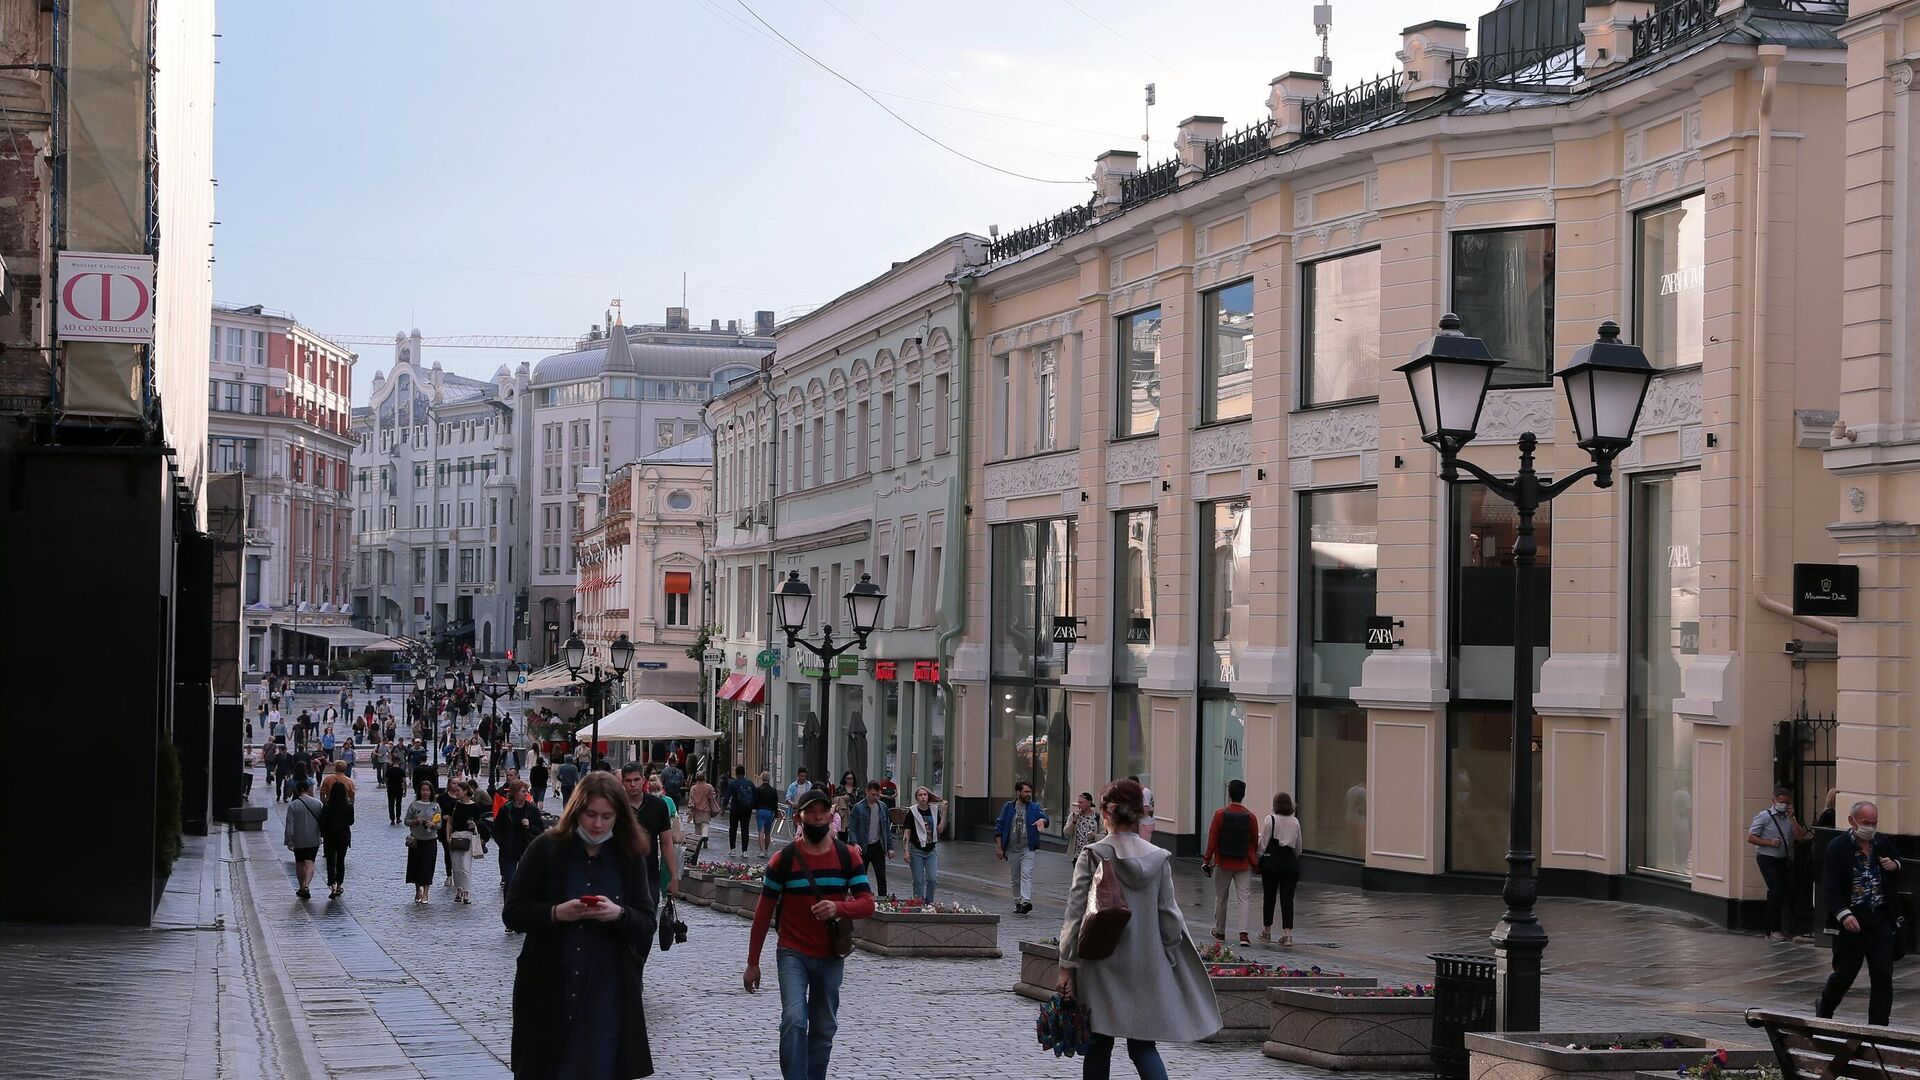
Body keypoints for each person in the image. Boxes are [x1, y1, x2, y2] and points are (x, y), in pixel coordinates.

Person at [1057, 778, 1222, 1078]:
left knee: (1098, 1045)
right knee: (1143, 1048)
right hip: (1146, 964)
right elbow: (1170, 917)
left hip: (1100, 963)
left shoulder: (1093, 854)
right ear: (1139, 815)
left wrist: (1066, 966)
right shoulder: (1158, 858)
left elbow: (1075, 914)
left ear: (1105, 813)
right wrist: (1169, 957)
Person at [502, 771, 657, 1078]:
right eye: (590, 815)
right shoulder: (546, 849)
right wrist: (556, 913)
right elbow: (513, 912)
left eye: (606, 816)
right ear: (576, 811)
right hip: (550, 991)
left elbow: (646, 922)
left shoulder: (628, 857)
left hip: (606, 994)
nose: (597, 824)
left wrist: (618, 914)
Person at [742, 788, 876, 1080]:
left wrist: (839, 907)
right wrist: (753, 962)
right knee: (793, 1020)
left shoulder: (847, 855)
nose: (817, 818)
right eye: (811, 812)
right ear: (799, 817)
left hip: (830, 954)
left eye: (822, 812)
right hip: (793, 951)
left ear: (830, 815)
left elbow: (867, 902)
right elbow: (763, 913)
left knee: (824, 1027)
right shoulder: (784, 859)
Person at [1817, 800, 1903, 1026]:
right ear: (1851, 821)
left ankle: (1878, 1028)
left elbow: (1899, 862)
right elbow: (1831, 886)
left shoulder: (1881, 842)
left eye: (1874, 823)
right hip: (1853, 920)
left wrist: (1894, 865)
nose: (1871, 827)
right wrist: (1844, 914)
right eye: (1866, 823)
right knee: (1845, 975)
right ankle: (1825, 1006)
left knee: (1883, 977)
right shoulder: (1838, 847)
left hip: (1880, 919)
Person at [1203, 779, 1260, 947]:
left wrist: (1207, 859)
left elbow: (1212, 839)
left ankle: (1220, 931)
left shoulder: (1220, 814)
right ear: (1243, 794)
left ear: (1229, 794)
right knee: (1244, 898)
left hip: (1223, 861)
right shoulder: (1251, 817)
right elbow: (1254, 843)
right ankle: (1243, 935)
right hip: (1243, 863)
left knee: (1221, 898)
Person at [1748, 784, 1808, 942]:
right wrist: (1769, 842)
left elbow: (1800, 836)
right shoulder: (1764, 816)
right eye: (1781, 802)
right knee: (1777, 891)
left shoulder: (1789, 818)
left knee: (1781, 892)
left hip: (1783, 859)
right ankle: (1773, 929)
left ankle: (1774, 927)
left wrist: (1792, 818)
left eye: (1787, 802)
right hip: (1767, 858)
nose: (1784, 805)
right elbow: (1751, 837)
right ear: (1774, 801)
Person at [622, 762, 682, 900]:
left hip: (649, 874)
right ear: (623, 782)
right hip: (621, 874)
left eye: (636, 780)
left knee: (648, 918)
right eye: (628, 781)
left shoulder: (658, 806)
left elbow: (666, 842)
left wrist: (673, 875)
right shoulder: (617, 805)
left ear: (643, 780)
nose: (633, 784)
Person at [996, 781, 1051, 915]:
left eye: (1030, 792)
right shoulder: (1008, 807)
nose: (1029, 794)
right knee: (1015, 878)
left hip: (1028, 847)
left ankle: (1025, 901)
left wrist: (1042, 821)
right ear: (1018, 792)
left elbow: (1046, 819)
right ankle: (1017, 901)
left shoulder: (1034, 807)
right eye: (1026, 792)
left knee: (1026, 874)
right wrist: (999, 848)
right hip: (1012, 848)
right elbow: (1000, 826)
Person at [1258, 792, 1303, 945]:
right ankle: (1287, 934)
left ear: (1275, 805)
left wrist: (1258, 859)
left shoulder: (1270, 819)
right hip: (1290, 861)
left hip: (1273, 862)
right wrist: (1292, 858)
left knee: (1269, 896)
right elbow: (1299, 848)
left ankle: (1267, 931)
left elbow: (1263, 844)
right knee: (1288, 898)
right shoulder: (1295, 821)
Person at [494, 779, 542, 894]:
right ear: (515, 793)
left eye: (527, 791)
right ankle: (508, 909)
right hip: (509, 851)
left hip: (526, 850)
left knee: (526, 883)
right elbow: (496, 830)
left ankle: (522, 909)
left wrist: (529, 826)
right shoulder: (506, 809)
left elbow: (540, 830)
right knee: (510, 884)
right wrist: (503, 844)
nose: (526, 794)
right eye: (523, 791)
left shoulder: (532, 809)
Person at [849, 782, 895, 898]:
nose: (875, 797)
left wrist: (890, 848)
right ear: (867, 791)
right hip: (863, 847)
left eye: (877, 795)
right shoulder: (858, 808)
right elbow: (851, 828)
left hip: (878, 846)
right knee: (860, 877)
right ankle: (860, 899)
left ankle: (883, 900)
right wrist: (854, 843)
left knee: (881, 877)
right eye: (873, 794)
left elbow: (886, 830)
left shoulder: (882, 807)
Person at [445, 780, 487, 905]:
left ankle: (467, 892)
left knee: (466, 866)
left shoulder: (475, 807)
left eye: (459, 790)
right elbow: (450, 822)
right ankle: (459, 890)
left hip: (468, 836)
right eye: (456, 790)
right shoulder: (454, 805)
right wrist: (448, 836)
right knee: (456, 866)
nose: (456, 792)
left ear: (465, 791)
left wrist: (474, 825)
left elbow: (480, 823)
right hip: (456, 835)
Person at [902, 786, 944, 902]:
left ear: (928, 796)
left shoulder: (934, 810)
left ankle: (929, 903)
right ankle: (918, 904)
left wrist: (944, 812)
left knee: (932, 879)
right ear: (916, 798)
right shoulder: (913, 812)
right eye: (920, 795)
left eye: (925, 794)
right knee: (919, 881)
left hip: (931, 850)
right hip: (916, 850)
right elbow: (907, 831)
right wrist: (906, 850)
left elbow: (940, 829)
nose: (923, 797)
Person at [284, 778, 323, 901]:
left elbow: (290, 824)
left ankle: (301, 886)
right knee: (310, 862)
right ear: (308, 789)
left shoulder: (293, 805)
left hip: (298, 838)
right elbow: (323, 821)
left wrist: (289, 840)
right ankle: (306, 885)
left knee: (299, 862)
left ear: (297, 790)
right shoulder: (317, 804)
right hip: (313, 837)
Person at [319, 772, 354, 899]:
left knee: (330, 861)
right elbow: (351, 821)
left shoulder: (327, 806)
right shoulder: (348, 806)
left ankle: (332, 885)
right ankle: (339, 885)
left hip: (329, 836)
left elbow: (322, 821)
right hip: (343, 835)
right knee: (340, 860)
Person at [405, 784, 442, 904]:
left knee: (427, 866)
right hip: (416, 839)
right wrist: (415, 821)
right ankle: (418, 890)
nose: (425, 793)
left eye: (427, 790)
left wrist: (434, 824)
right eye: (423, 790)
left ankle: (426, 892)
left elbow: (439, 823)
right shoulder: (414, 805)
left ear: (431, 792)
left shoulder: (435, 806)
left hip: (430, 840)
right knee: (416, 865)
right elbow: (406, 821)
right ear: (420, 792)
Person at [686, 773, 719, 864]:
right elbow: (713, 797)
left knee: (697, 827)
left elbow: (691, 801)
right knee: (705, 824)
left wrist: (690, 809)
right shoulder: (709, 786)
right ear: (705, 777)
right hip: (706, 810)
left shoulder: (693, 788)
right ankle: (705, 840)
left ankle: (698, 842)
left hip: (697, 810)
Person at [1065, 791, 1104, 863]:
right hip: (1077, 857)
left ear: (1089, 803)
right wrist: (1074, 821)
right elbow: (1066, 833)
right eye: (1078, 802)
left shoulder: (1097, 817)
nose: (1079, 805)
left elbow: (1104, 835)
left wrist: (1094, 836)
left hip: (1093, 857)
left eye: (1081, 803)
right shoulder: (1073, 816)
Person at [726, 765, 756, 854]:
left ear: (736, 773)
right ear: (744, 772)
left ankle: (733, 849)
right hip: (747, 810)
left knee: (733, 829)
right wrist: (752, 806)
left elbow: (727, 796)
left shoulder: (733, 784)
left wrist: (723, 807)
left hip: (735, 809)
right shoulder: (750, 783)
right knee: (745, 829)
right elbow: (755, 795)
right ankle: (745, 851)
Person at [755, 771, 781, 857]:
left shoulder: (758, 789)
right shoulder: (773, 790)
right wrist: (776, 813)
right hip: (769, 812)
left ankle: (761, 851)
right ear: (769, 779)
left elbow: (755, 801)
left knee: (761, 832)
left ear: (761, 778)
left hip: (760, 811)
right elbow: (775, 803)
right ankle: (766, 850)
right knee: (768, 833)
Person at [1129, 775, 1156, 843]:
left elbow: (1145, 810)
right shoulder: (1143, 792)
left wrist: (1133, 815)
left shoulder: (1145, 792)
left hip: (1146, 824)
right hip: (1144, 823)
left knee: (1144, 845)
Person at [385, 749, 409, 825]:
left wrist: (388, 786)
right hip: (399, 789)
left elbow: (386, 780)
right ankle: (398, 818)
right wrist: (405, 790)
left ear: (392, 761)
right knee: (398, 804)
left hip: (391, 789)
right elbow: (404, 781)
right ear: (398, 762)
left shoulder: (389, 770)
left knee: (391, 804)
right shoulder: (401, 771)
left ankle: (392, 819)